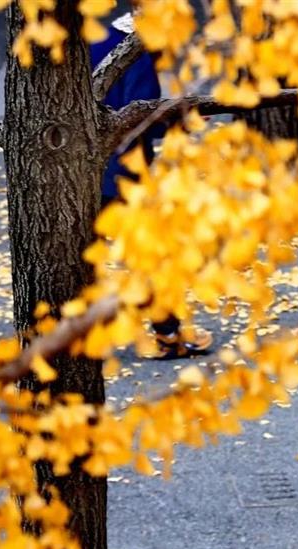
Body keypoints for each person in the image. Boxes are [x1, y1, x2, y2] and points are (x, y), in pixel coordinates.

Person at [91, 7, 212, 359]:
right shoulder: (138, 54)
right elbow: (137, 115)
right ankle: (168, 335)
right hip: (122, 173)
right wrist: (181, 120)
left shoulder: (97, 39)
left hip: (82, 170)